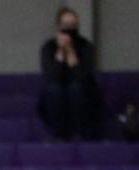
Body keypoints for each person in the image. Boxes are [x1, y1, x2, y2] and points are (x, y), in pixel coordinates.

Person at [38, 6, 102, 141]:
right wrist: (61, 52)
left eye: (73, 25)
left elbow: (83, 76)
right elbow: (51, 76)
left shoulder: (86, 46)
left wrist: (71, 51)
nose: (69, 29)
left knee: (76, 88)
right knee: (54, 89)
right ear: (58, 26)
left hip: (83, 95)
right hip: (56, 94)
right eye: (66, 25)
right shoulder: (48, 47)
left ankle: (78, 134)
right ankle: (58, 135)